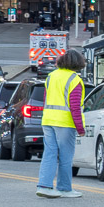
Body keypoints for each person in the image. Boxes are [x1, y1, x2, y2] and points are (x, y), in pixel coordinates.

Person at [37, 50, 87, 198]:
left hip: (48, 120)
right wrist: (80, 127)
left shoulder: (51, 76)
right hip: (65, 122)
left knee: (49, 153)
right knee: (66, 156)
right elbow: (75, 106)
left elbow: (46, 98)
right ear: (77, 62)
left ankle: (44, 186)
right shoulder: (74, 80)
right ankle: (64, 188)